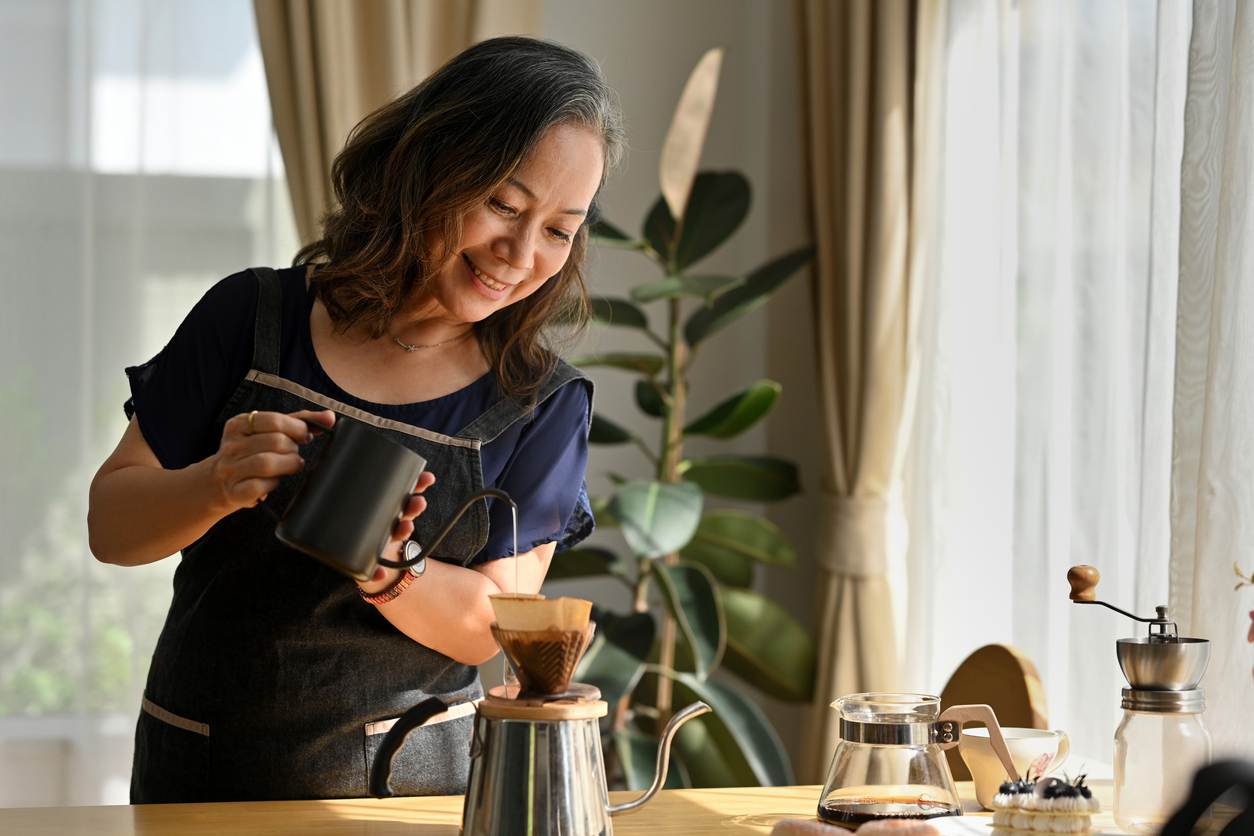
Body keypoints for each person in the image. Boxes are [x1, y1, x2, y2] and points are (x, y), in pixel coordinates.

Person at [87, 36, 624, 803]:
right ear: (430, 168)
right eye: (504, 204)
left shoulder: (540, 402)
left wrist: (386, 565)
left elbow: (493, 626)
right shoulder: (253, 316)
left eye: (558, 229)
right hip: (199, 770)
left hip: (407, 790)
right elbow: (111, 524)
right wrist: (216, 483)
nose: (520, 252)